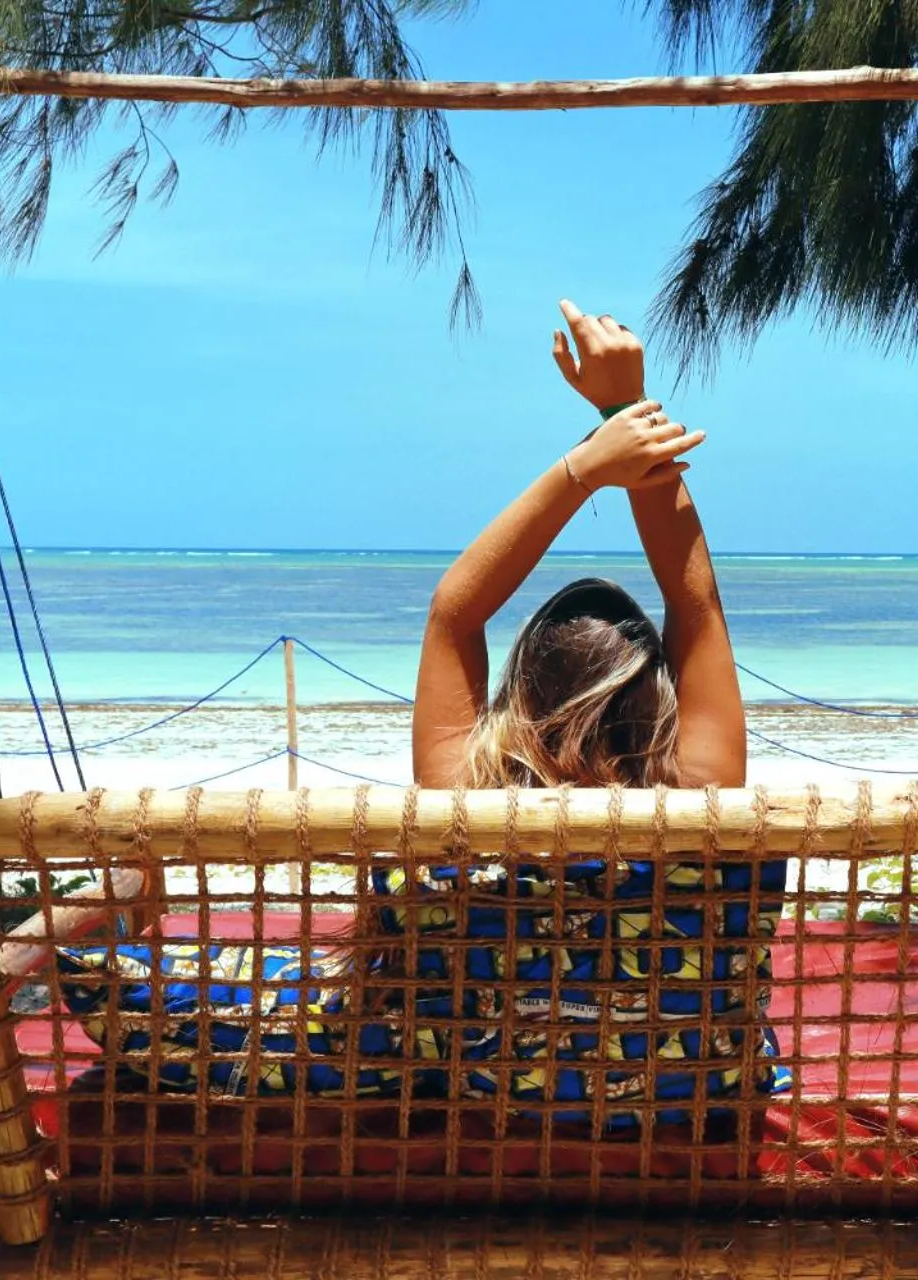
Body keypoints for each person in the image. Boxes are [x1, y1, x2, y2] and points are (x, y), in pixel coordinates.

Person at [362, 300, 788, 1128]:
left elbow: (454, 611)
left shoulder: (468, 804)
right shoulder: (696, 795)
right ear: (654, 692)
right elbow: (694, 602)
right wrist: (627, 410)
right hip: (694, 1105)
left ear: (518, 693)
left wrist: (590, 462)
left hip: (500, 1111)